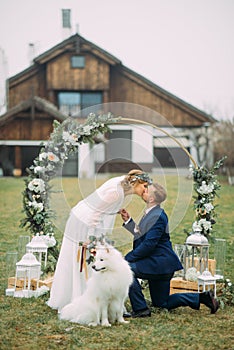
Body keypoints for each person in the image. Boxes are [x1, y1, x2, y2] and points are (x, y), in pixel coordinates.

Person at [47, 169, 152, 311]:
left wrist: (116, 210)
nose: (146, 190)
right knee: (86, 260)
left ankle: (92, 297)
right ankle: (82, 298)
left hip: (92, 221)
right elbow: (95, 213)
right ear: (137, 182)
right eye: (144, 186)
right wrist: (89, 239)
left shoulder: (122, 185)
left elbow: (103, 205)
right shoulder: (117, 191)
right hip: (85, 223)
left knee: (93, 261)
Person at [120, 182, 219, 317]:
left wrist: (126, 259)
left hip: (159, 264)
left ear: (152, 199)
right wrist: (129, 222)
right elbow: (143, 236)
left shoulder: (157, 216)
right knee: (162, 302)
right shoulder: (152, 213)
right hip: (162, 265)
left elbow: (148, 245)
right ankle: (202, 297)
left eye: (147, 190)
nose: (143, 190)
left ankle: (140, 309)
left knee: (126, 269)